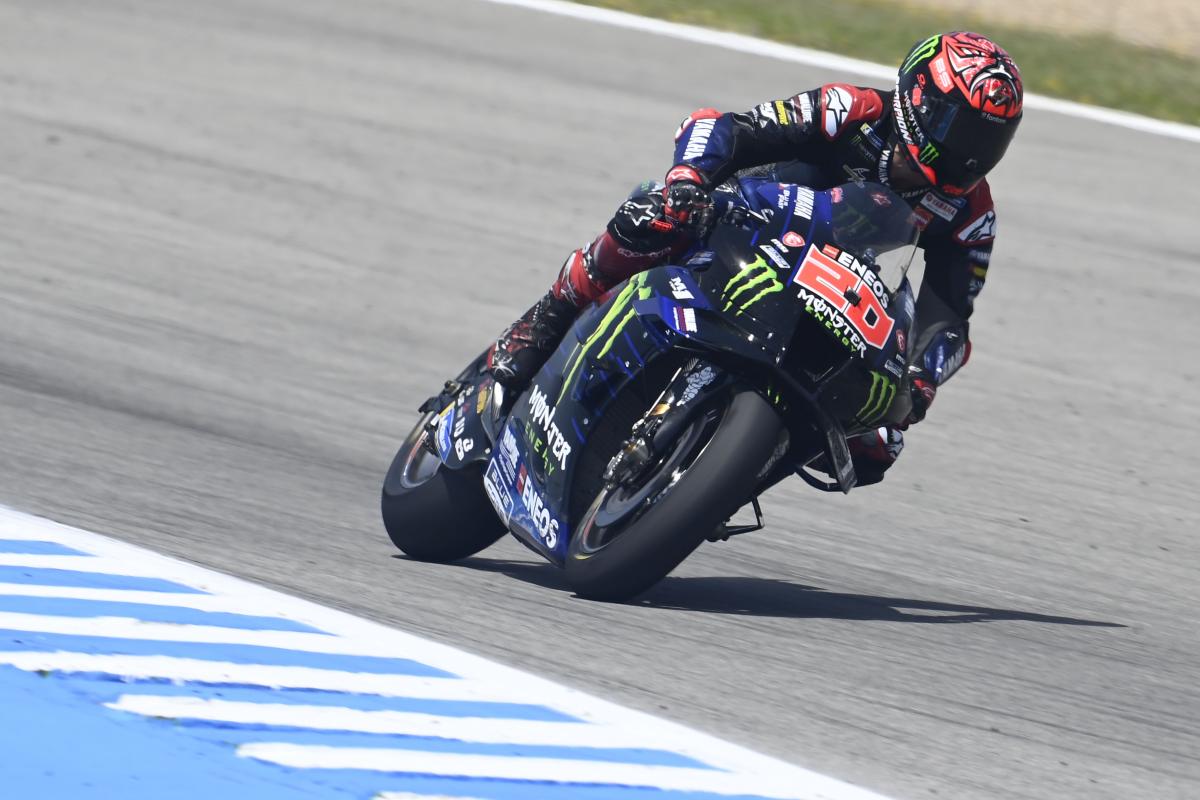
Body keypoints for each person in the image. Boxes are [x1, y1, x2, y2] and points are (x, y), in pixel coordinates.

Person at [487, 31, 1023, 484]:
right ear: (920, 99)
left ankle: (724, 474)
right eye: (963, 129)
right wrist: (688, 181)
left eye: (991, 139)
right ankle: (550, 313)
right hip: (738, 225)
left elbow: (949, 318)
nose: (972, 153)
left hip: (827, 283)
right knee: (651, 214)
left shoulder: (971, 213)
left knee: (877, 444)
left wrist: (920, 383)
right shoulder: (851, 110)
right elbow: (729, 127)